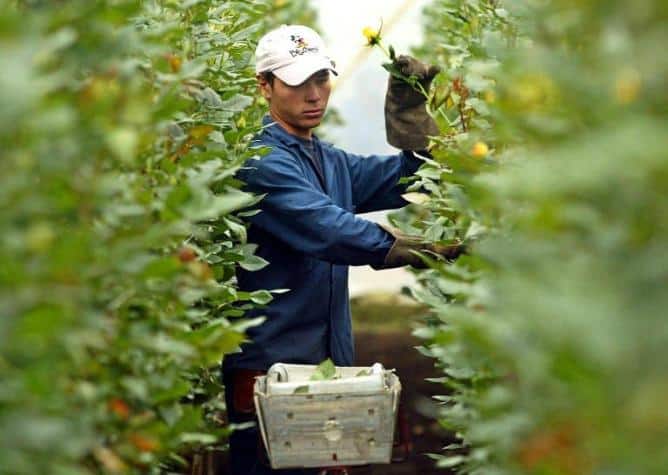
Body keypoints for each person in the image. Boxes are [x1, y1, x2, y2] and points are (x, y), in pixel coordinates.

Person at [221, 25, 465, 475]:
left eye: (321, 79)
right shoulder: (258, 160)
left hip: (326, 366)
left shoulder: (329, 161)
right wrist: (417, 247)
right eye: (296, 82)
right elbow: (329, 229)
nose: (313, 94)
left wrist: (413, 119)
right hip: (269, 371)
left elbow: (412, 179)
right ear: (264, 86)